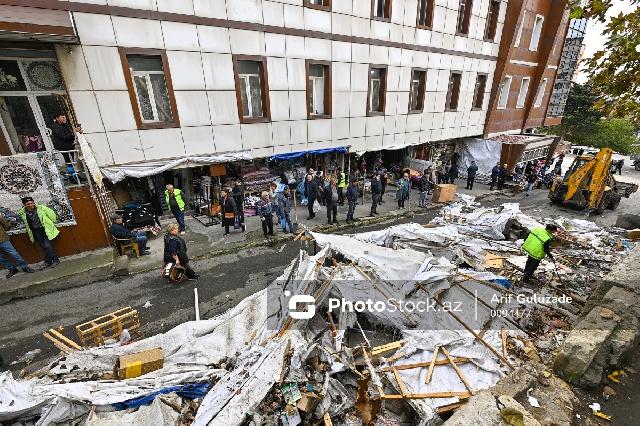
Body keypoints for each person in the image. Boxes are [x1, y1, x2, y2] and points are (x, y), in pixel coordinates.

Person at [18, 197, 60, 267]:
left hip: (46, 229)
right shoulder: (23, 212)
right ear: (24, 205)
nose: (31, 205)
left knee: (47, 245)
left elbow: (52, 215)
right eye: (28, 204)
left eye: (32, 203)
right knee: (44, 246)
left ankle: (55, 260)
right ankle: (48, 261)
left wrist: (51, 223)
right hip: (36, 231)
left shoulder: (41, 208)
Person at [0, 213, 34, 278]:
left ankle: (24, 267)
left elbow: (6, 226)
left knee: (14, 254)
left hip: (3, 239)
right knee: (0, 259)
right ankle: (12, 269)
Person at [50, 113, 82, 182]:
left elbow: (69, 135)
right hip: (64, 147)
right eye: (62, 117)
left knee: (72, 162)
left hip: (70, 145)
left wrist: (76, 134)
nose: (64, 119)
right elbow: (63, 137)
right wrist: (74, 133)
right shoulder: (55, 126)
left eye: (65, 117)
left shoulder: (64, 125)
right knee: (69, 162)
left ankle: (75, 176)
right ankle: (72, 178)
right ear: (57, 118)